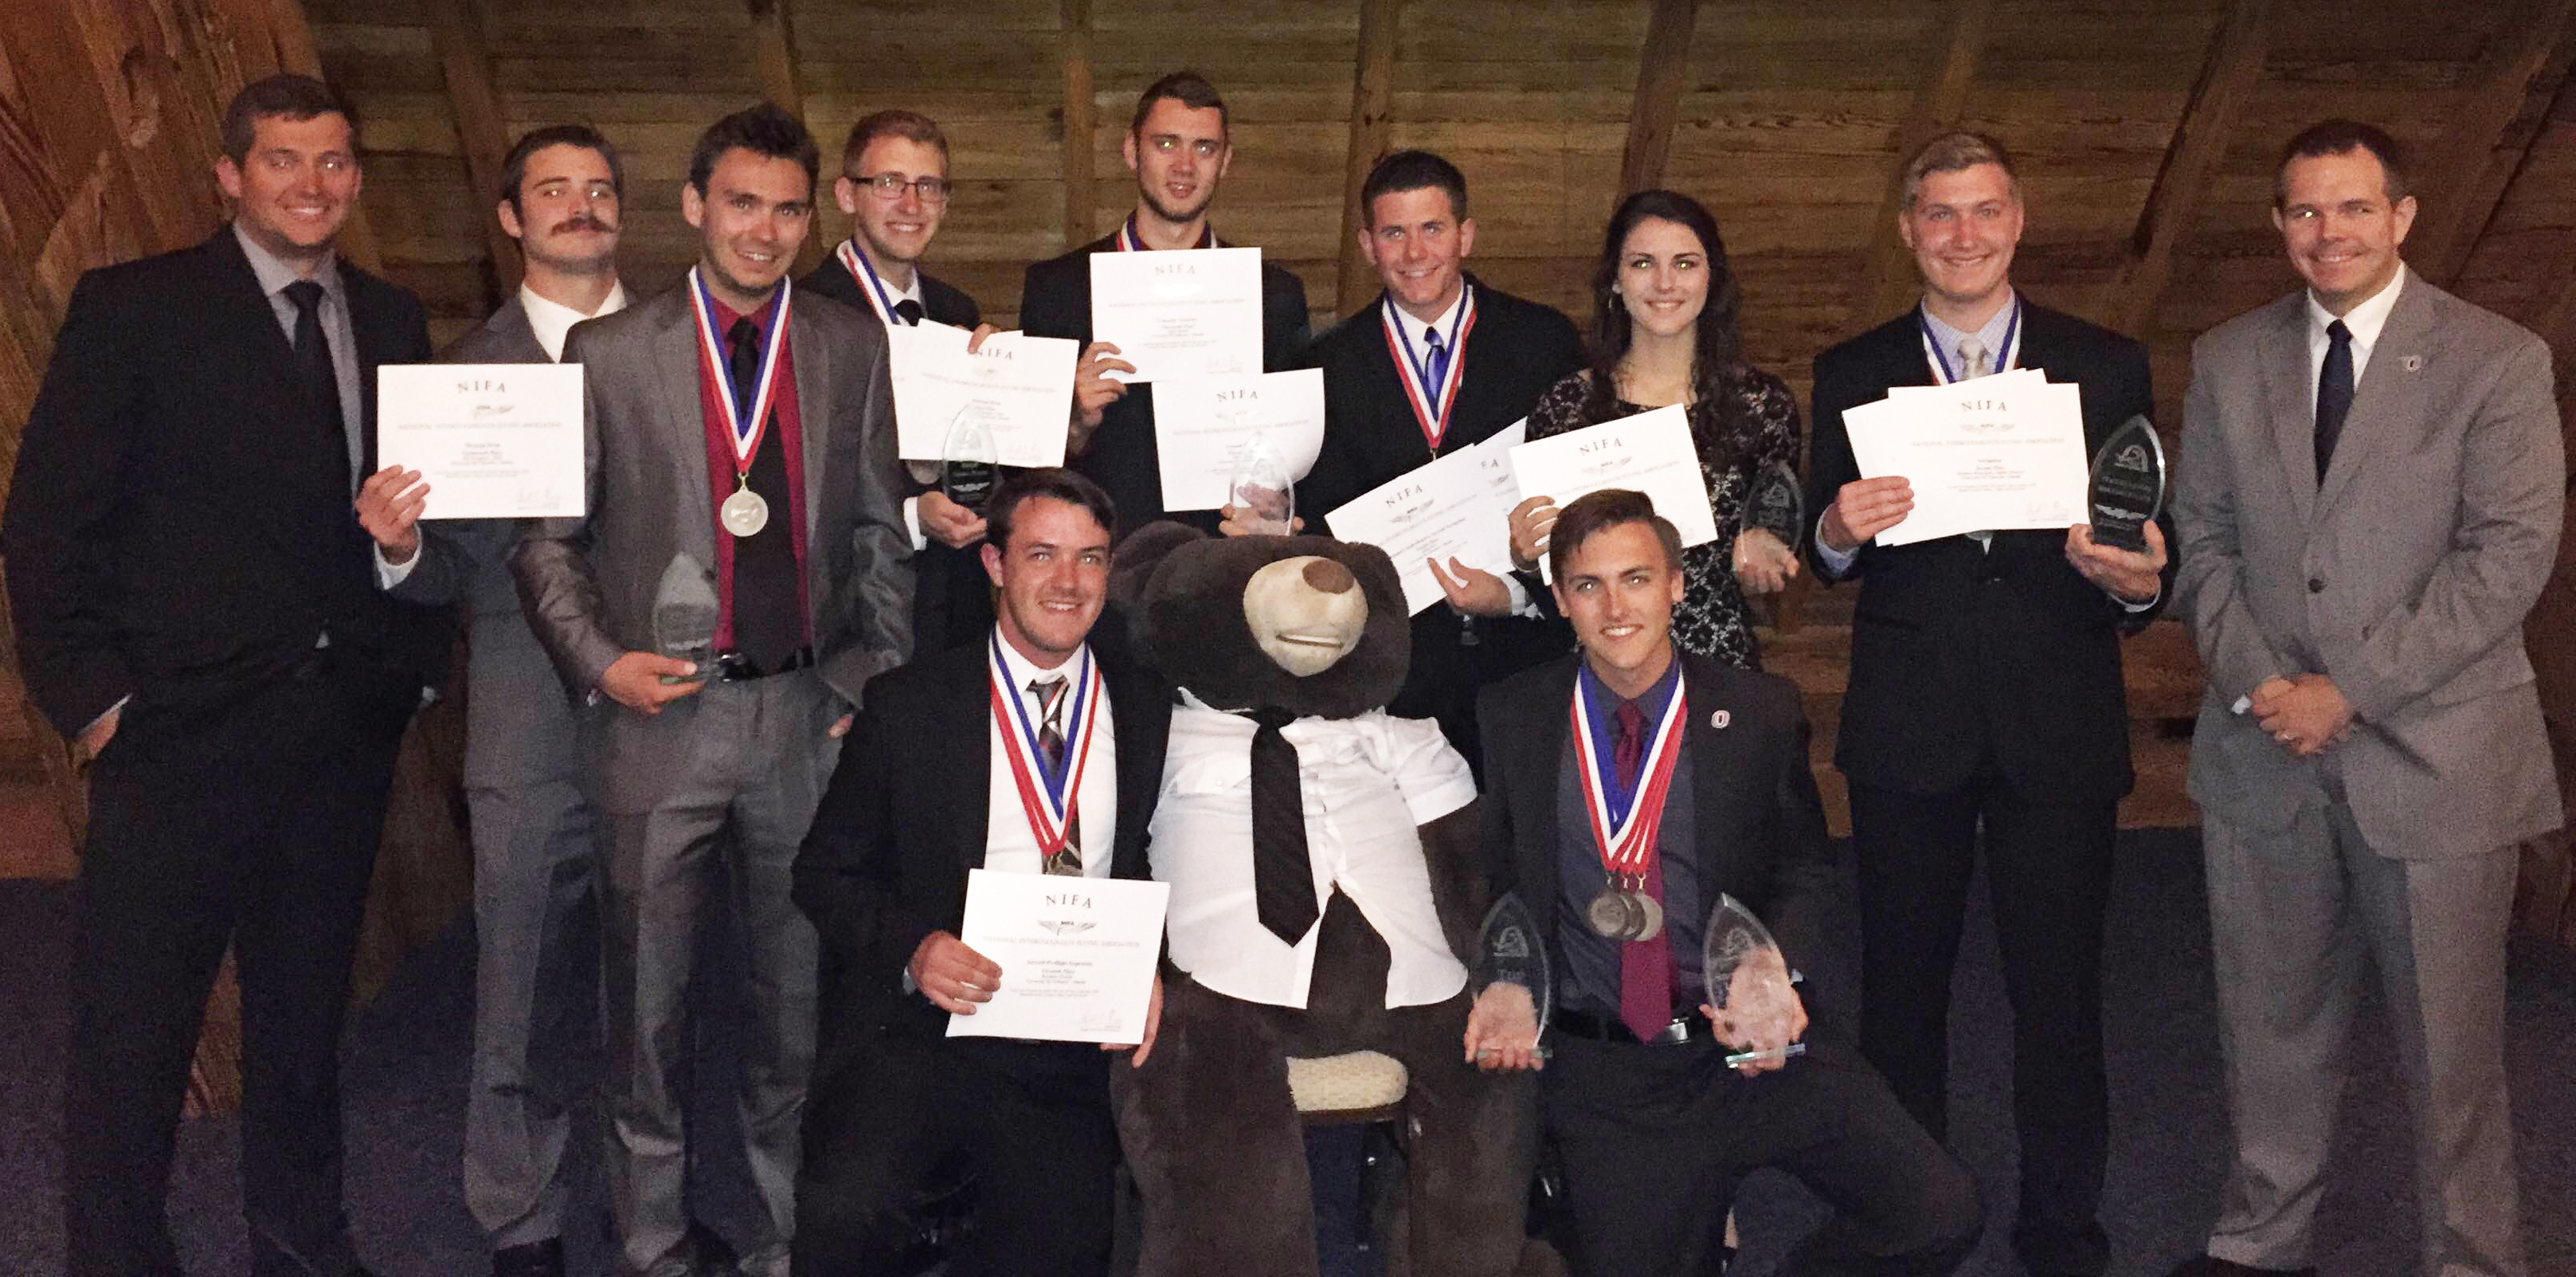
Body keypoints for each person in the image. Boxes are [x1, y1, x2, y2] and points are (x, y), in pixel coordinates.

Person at [4, 72, 446, 1277]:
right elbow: (49, 529)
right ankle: (116, 1251)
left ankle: (302, 1235)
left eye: (335, 162)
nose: (314, 185)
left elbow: (416, 524)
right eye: (285, 162)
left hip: (336, 735)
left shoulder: (395, 320)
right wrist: (100, 707)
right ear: (230, 176)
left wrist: (401, 656)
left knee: (304, 1021)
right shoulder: (136, 308)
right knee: (134, 1029)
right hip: (176, 738)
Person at [511, 102, 912, 1277]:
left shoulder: (848, 345)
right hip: (658, 713)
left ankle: (791, 1235)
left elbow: (883, 538)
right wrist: (599, 662)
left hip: (803, 716)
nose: (765, 229)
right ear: (693, 206)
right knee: (646, 1009)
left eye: (788, 208)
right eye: (742, 202)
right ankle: (652, 1241)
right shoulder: (611, 352)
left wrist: (866, 682)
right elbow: (548, 543)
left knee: (797, 1008)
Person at [2166, 119, 2564, 1277]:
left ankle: (2474, 1257)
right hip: (2261, 751)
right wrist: (2260, 686)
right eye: (2300, 210)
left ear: (2399, 216)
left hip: (2432, 759)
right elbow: (2204, 541)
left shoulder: (2496, 359)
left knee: (2452, 1051)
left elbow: (2507, 556)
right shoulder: (2227, 355)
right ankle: (2258, 1237)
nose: (2323, 231)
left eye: (2349, 208)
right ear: (2278, 224)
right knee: (2268, 1029)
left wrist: (2348, 690)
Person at [1803, 131, 2172, 1277]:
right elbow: (1824, 548)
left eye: (1983, 212)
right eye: (1938, 215)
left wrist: (2141, 579)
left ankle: (2063, 1230)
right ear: (1908, 229)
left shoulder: (2103, 362)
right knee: (1901, 995)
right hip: (1908, 718)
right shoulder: (1852, 367)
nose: (1961, 235)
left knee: (2057, 998)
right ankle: (1907, 1219)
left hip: (2056, 717)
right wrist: (1834, 529)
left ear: (2017, 222)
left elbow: (2146, 550)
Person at [1466, 489, 1979, 1276]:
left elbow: (1805, 862)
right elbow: (1494, 872)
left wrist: (1776, 965)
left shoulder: (1757, 709)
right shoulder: (1513, 717)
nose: (1616, 606)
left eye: (1636, 579)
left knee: (1938, 1212)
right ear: (1561, 598)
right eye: (1589, 585)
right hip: (1617, 1076)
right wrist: (1502, 979)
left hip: (1752, 1046)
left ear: (1676, 584)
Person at [790, 468, 1169, 1277]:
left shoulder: (1147, 704)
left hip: (1067, 1033)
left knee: (1065, 1251)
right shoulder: (910, 705)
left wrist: (1155, 964)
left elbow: (1165, 856)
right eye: (1042, 554)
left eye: (1092, 559)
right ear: (994, 565)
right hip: (928, 1023)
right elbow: (822, 873)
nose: (1068, 583)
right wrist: (917, 946)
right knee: (845, 1214)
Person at [380, 122, 629, 1277]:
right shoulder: (452, 381)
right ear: (511, 220)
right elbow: (437, 576)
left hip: (662, 711)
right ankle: (519, 1216)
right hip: (527, 719)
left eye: (597, 188)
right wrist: (395, 546)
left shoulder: (687, 350)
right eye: (553, 190)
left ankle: (656, 1202)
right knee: (518, 979)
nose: (580, 205)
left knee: (657, 986)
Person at [1287, 148, 1580, 774]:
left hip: (1527, 659)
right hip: (1395, 674)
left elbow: (1579, 498)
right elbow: (1325, 517)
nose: (1414, 252)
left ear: (1466, 235)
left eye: (1432, 229)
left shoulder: (1544, 342)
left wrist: (1512, 591)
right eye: (1394, 232)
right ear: (1368, 244)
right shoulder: (1325, 366)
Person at [1508, 190, 1802, 672]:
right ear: (1616, 281)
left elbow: (1777, 551)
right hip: (1599, 671)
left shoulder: (1763, 406)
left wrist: (1764, 561)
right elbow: (1552, 581)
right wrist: (1524, 558)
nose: (1665, 283)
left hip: (1720, 670)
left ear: (1712, 277)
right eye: (1643, 264)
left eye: (1685, 264)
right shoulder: (1566, 406)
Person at [1017, 69, 1310, 536]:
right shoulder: (1057, 289)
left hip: (1229, 557)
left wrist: (1279, 506)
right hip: (1103, 564)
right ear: (1132, 151)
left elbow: (1296, 455)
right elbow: (1026, 473)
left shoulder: (1275, 295)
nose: (1185, 166)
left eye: (1204, 148)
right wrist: (1073, 420)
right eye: (1167, 144)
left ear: (1226, 161)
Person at [800, 108, 996, 654]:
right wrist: (911, 515)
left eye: (928, 186)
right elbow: (805, 480)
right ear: (846, 195)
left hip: (957, 603)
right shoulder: (805, 315)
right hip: (852, 615)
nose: (911, 205)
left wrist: (996, 392)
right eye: (889, 183)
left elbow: (971, 461)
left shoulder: (957, 309)